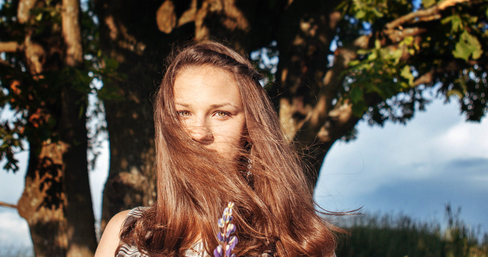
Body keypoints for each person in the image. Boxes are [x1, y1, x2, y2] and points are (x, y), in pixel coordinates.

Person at [95, 41, 341, 257]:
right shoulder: (127, 234)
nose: (199, 133)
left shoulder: (299, 242)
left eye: (221, 113)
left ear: (249, 128)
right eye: (183, 113)